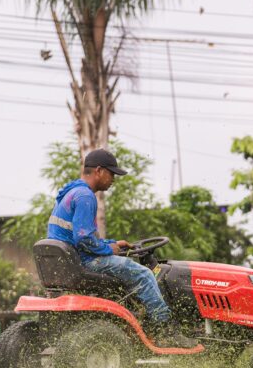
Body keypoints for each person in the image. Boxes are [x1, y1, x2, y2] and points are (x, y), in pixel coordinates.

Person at [47, 148, 198, 348]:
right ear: (99, 171)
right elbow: (84, 240)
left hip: (70, 260)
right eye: (112, 173)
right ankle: (166, 330)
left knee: (129, 271)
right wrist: (110, 250)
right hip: (83, 261)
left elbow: (81, 237)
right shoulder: (85, 196)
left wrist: (112, 244)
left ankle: (141, 319)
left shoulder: (71, 192)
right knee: (143, 274)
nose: (113, 179)